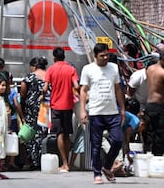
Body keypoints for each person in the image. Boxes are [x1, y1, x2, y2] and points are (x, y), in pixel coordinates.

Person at [79, 43, 125, 184]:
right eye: (102, 56)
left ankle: (107, 166)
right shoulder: (88, 69)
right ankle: (97, 174)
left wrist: (122, 108)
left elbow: (117, 89)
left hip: (112, 112)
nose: (105, 58)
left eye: (107, 55)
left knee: (117, 141)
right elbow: (83, 90)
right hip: (95, 112)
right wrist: (82, 110)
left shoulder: (114, 68)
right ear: (95, 56)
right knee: (96, 145)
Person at [43, 47, 79, 172]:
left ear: (54, 57)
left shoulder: (51, 69)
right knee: (67, 134)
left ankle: (64, 163)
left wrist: (43, 96)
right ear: (64, 56)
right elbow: (76, 86)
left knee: (59, 133)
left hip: (56, 105)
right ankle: (67, 161)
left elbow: (45, 87)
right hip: (68, 105)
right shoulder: (71, 69)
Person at [20, 56, 49, 170]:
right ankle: (44, 159)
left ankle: (33, 161)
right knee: (43, 133)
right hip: (46, 108)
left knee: (31, 134)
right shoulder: (48, 76)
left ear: (33, 66)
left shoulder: (29, 77)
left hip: (31, 110)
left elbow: (23, 93)